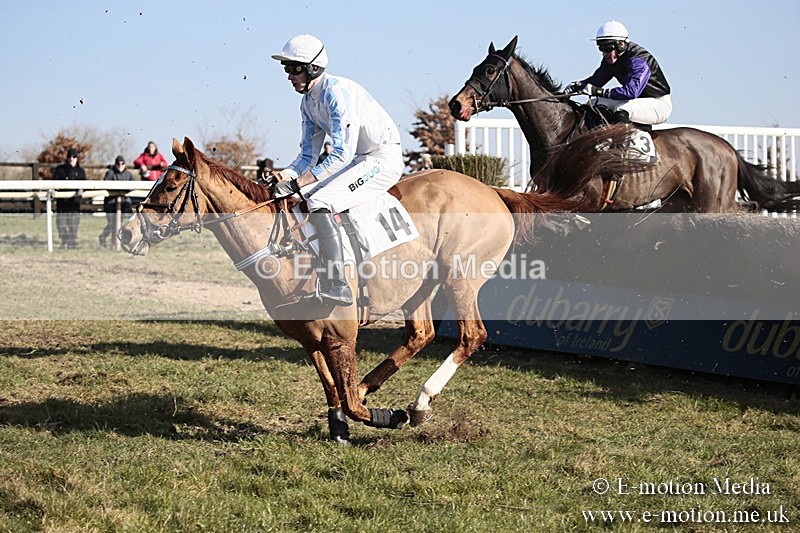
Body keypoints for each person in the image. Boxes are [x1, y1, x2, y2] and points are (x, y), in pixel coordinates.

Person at [270, 34, 403, 306]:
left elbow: (342, 154)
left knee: (318, 200)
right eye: (286, 69)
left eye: (294, 69)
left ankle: (338, 284)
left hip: (382, 158)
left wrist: (300, 182)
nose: (289, 76)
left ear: (313, 68)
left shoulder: (336, 93)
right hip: (361, 159)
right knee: (301, 197)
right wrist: (284, 176)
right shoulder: (307, 102)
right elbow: (308, 155)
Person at [566, 21, 672, 125]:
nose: (604, 53)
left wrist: (598, 92)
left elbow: (631, 92)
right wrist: (577, 86)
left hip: (658, 103)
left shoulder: (639, 60)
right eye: (601, 48)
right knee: (593, 104)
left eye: (607, 48)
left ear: (621, 44)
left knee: (621, 110)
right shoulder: (612, 60)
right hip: (635, 101)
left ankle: (632, 142)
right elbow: (596, 81)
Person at [52, 148, 86, 249]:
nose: (72, 159)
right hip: (62, 203)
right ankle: (64, 240)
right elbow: (54, 182)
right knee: (61, 224)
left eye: (74, 157)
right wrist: (54, 190)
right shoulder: (60, 170)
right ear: (67, 158)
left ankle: (72, 243)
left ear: (77, 158)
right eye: (70, 157)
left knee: (73, 224)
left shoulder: (80, 171)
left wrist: (81, 190)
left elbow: (85, 184)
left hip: (74, 203)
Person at [99, 155, 135, 247]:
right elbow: (106, 185)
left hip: (123, 203)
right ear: (115, 164)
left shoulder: (128, 174)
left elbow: (133, 186)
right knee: (112, 223)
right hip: (111, 203)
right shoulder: (110, 173)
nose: (120, 165)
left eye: (122, 163)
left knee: (119, 224)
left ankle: (115, 242)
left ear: (125, 164)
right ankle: (104, 238)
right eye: (118, 163)